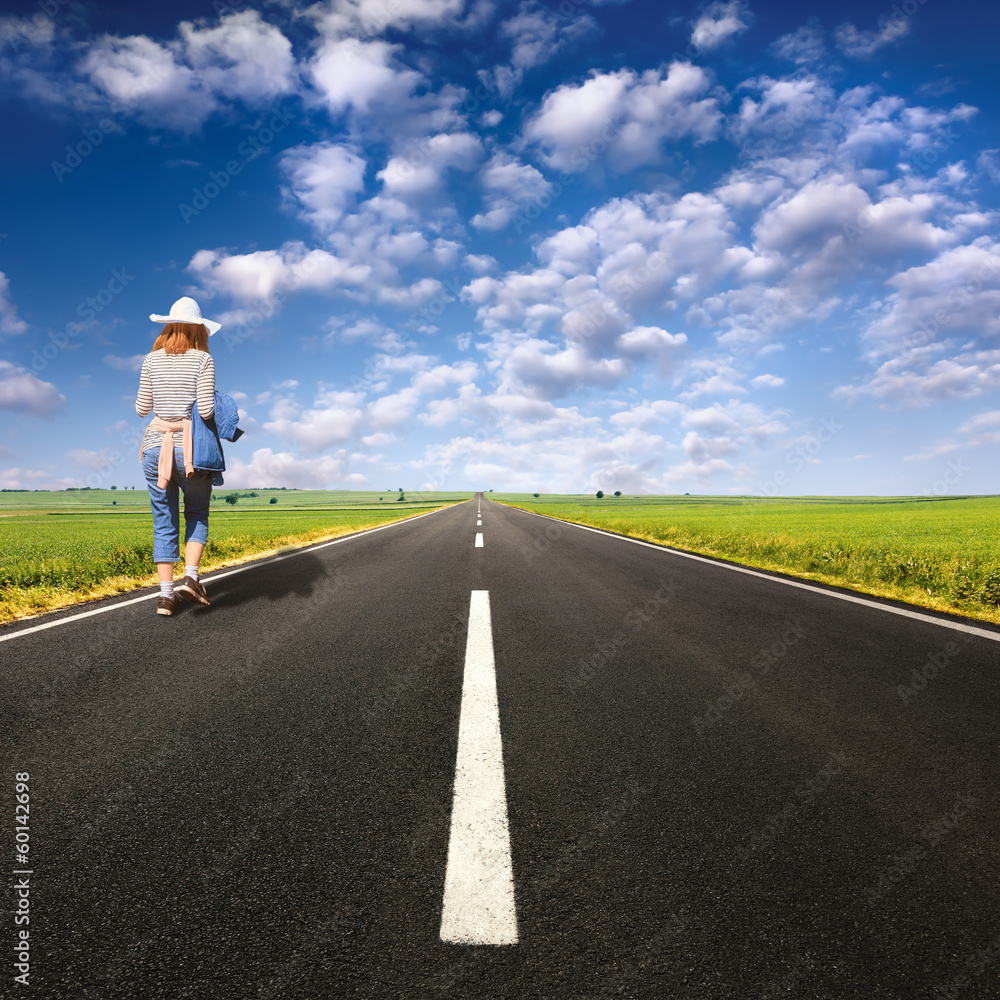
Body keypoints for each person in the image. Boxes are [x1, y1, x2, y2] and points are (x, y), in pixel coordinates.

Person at [136, 296, 221, 616]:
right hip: (190, 451)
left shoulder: (150, 359)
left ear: (169, 326)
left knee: (163, 520)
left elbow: (142, 408)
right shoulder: (203, 360)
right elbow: (207, 410)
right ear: (199, 329)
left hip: (156, 448)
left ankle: (165, 596)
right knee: (197, 512)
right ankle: (192, 578)